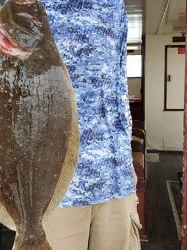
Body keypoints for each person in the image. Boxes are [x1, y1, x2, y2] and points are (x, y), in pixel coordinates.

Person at [41, 0, 142, 249]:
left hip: (116, 181)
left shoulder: (113, 6)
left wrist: (127, 160)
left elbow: (118, 88)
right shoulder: (26, 6)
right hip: (53, 189)